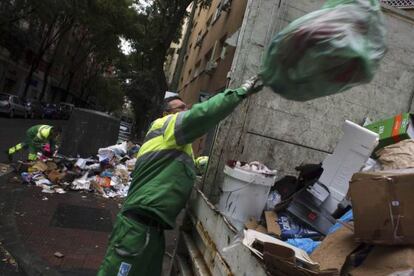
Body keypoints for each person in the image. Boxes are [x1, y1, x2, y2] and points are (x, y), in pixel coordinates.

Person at [97, 77, 263, 276]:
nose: (185, 111)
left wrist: (214, 164)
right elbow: (202, 114)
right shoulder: (165, 125)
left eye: (186, 107)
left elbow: (188, 166)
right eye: (180, 108)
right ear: (167, 114)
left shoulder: (176, 145)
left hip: (152, 232)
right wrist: (239, 92)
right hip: (136, 229)